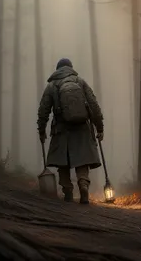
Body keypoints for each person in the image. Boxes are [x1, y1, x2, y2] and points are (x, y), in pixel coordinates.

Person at [37, 58, 104, 204]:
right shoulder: (80, 81)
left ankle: (67, 190)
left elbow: (43, 111)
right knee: (82, 160)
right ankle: (83, 185)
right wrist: (99, 128)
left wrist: (41, 130)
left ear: (57, 68)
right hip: (82, 127)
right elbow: (94, 105)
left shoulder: (52, 86)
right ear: (71, 67)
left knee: (63, 161)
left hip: (61, 128)